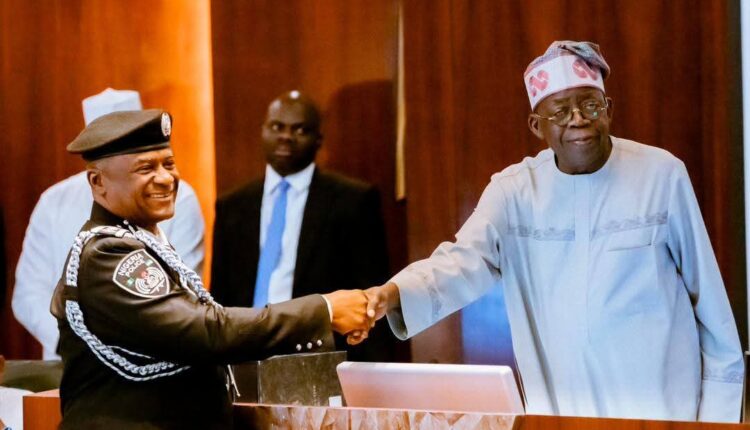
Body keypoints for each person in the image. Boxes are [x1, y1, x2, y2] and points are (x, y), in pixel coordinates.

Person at [361, 41, 745, 422]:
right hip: (563, 415)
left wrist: (716, 421)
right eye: (560, 111)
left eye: (590, 105)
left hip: (664, 414)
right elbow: (460, 263)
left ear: (608, 109)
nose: (578, 120)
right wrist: (391, 295)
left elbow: (712, 310)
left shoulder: (661, 175)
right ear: (537, 125)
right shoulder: (514, 192)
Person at [51, 109, 372, 428]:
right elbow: (202, 331)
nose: (165, 178)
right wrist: (323, 311)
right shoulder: (108, 253)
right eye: (145, 168)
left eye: (169, 164)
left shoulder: (142, 241)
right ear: (98, 182)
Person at [12, 89, 205, 360]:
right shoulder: (53, 201)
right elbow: (29, 294)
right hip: (67, 363)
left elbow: (183, 292)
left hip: (152, 362)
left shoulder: (175, 195)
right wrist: (80, 344)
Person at [211, 90, 398, 361]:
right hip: (245, 354)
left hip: (321, 356)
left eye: (299, 129)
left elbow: (371, 295)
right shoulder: (232, 205)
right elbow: (219, 297)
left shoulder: (353, 200)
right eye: (277, 127)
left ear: (318, 139)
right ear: (263, 130)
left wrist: (376, 374)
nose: (286, 136)